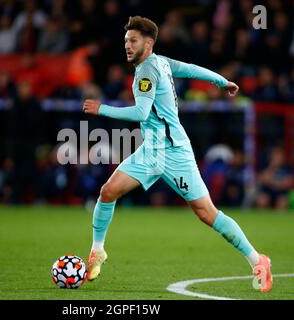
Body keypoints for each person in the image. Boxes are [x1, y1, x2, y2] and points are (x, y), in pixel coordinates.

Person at [82, 16, 273, 292]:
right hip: (150, 150)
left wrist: (103, 109)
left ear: (148, 43)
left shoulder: (148, 70)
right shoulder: (162, 62)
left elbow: (141, 112)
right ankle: (97, 251)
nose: (127, 45)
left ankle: (259, 259)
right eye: (126, 41)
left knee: (207, 213)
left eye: (133, 41)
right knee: (108, 191)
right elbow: (192, 70)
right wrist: (223, 81)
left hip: (174, 152)